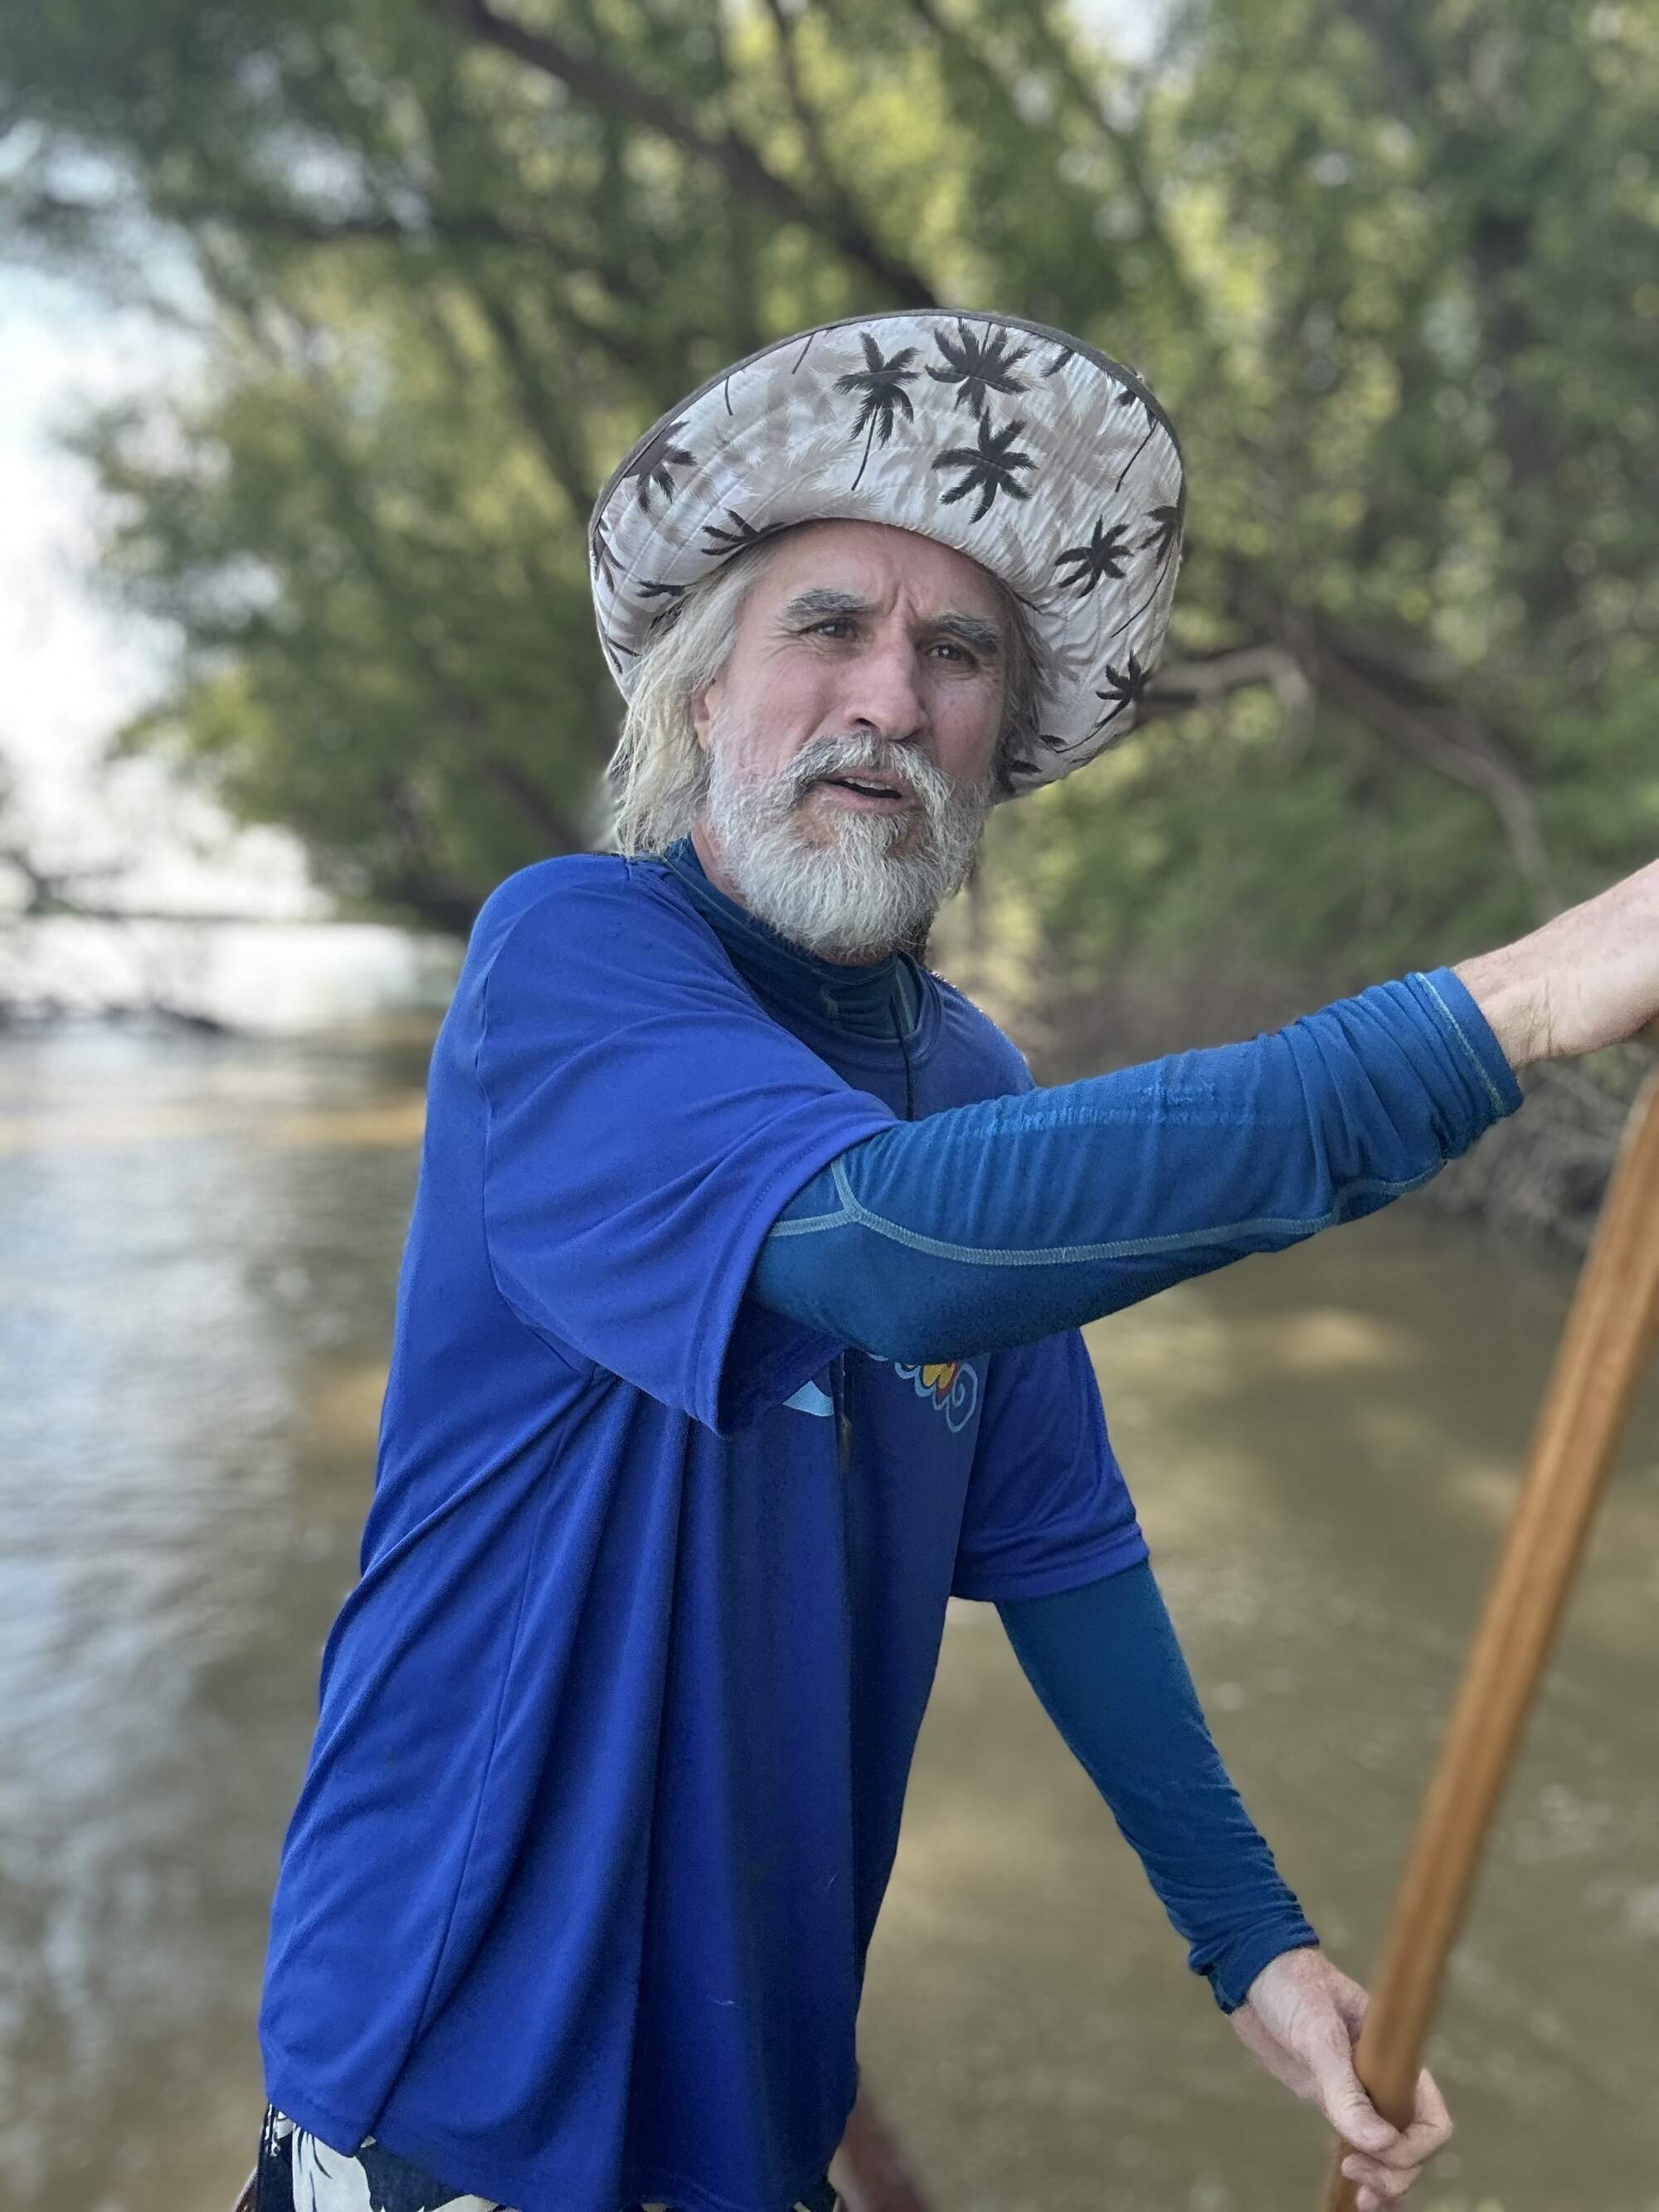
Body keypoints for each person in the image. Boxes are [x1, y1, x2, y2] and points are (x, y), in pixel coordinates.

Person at [250, 309, 1659, 2212]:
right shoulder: (565, 961)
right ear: (702, 696)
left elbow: (1061, 1536)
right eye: (827, 625)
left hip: (751, 2120)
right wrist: (1514, 1005)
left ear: (1003, 738)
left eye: (957, 651)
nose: (890, 699)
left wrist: (1249, 1940)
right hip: (454, 2108)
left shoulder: (967, 1075)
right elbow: (887, 1252)